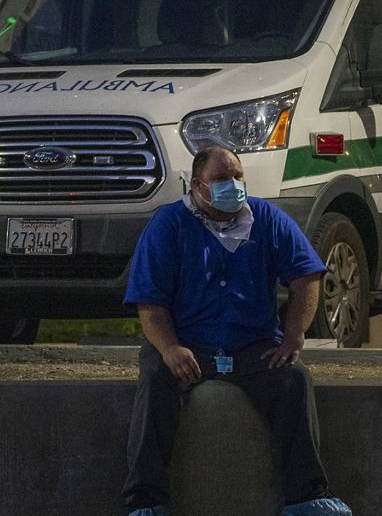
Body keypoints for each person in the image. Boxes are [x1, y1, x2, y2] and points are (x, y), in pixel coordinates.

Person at [123, 145, 351, 516]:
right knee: (153, 380)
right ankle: (146, 501)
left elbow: (306, 275)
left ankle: (306, 498)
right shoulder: (169, 224)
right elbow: (150, 301)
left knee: (294, 381)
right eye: (220, 179)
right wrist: (169, 349)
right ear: (198, 185)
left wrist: (294, 336)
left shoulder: (267, 218)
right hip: (187, 346)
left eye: (237, 177)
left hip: (253, 346)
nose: (232, 186)